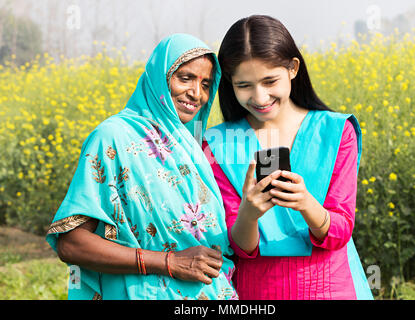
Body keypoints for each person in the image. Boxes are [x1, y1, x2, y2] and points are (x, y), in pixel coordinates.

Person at [46, 34, 237, 300]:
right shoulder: (113, 137)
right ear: (159, 77)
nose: (196, 93)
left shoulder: (192, 148)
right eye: (185, 78)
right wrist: (169, 262)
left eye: (205, 84)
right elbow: (71, 244)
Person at [203, 15, 373, 300]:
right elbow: (240, 248)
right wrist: (250, 213)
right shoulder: (216, 143)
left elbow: (340, 229)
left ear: (293, 68)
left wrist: (306, 204)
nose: (260, 97)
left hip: (331, 288)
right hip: (258, 292)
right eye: (244, 85)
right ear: (229, 83)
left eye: (270, 81)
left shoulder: (336, 131)